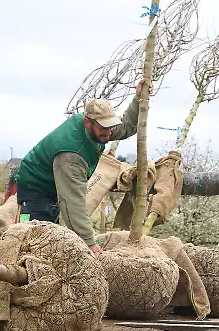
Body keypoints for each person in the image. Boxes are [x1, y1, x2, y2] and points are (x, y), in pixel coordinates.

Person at [12, 82, 146, 254]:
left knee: (53, 238)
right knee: (35, 243)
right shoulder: (71, 154)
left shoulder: (101, 127)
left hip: (53, 187)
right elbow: (72, 203)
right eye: (103, 128)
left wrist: (138, 98)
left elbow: (126, 126)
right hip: (35, 190)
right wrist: (89, 243)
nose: (108, 132)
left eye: (110, 126)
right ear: (87, 123)